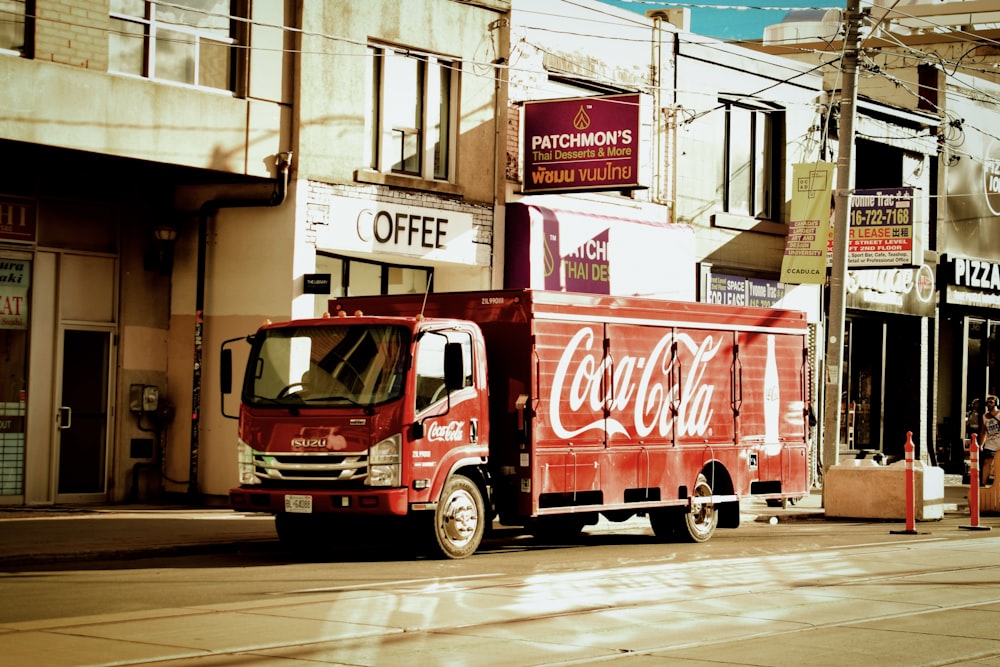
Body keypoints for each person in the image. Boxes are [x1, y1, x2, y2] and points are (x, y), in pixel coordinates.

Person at [979, 395, 1000, 486]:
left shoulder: (999, 414)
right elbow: (983, 432)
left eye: (991, 402)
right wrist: (981, 444)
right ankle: (983, 483)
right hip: (990, 443)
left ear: (996, 403)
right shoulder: (984, 416)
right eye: (988, 402)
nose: (989, 404)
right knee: (987, 462)